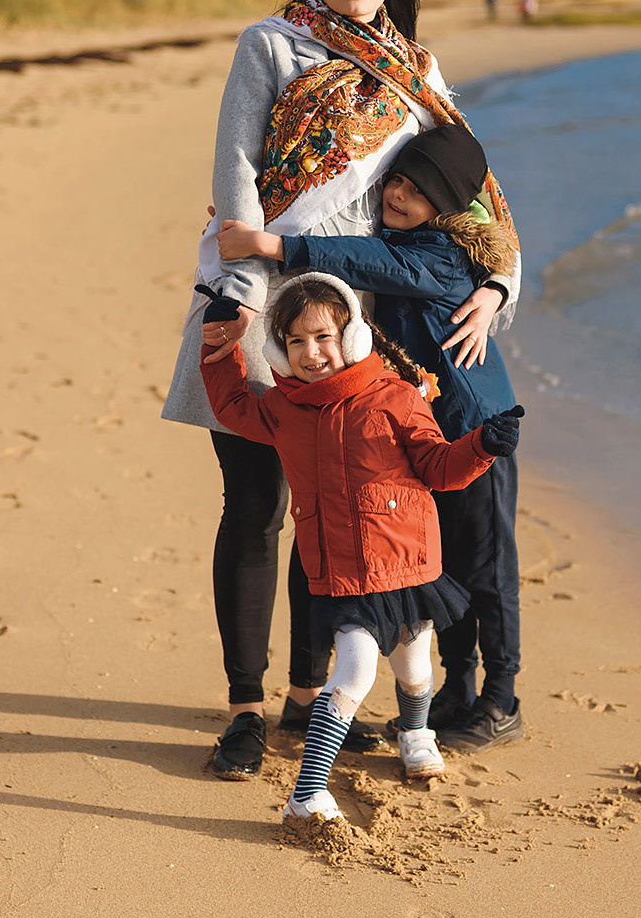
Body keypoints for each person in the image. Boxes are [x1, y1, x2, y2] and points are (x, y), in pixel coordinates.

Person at [161, 0, 523, 782]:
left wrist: (499, 283)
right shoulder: (271, 44)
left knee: (331, 509)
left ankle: (305, 693)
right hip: (261, 295)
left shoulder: (415, 66)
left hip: (358, 322)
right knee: (255, 508)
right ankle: (246, 708)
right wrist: (241, 300)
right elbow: (237, 172)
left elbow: (475, 190)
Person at [216, 122, 526, 751]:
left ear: (447, 207)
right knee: (444, 569)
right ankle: (455, 689)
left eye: (419, 191)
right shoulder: (404, 231)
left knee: (489, 568)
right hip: (426, 435)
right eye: (399, 180)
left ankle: (502, 699)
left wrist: (276, 246)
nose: (400, 195)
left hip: (476, 430)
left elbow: (370, 263)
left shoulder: (442, 253)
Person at [199, 273, 522, 819]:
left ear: (350, 336)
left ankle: (415, 733)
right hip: (343, 574)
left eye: (323, 337)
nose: (311, 353)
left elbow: (440, 468)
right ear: (278, 348)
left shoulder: (395, 397)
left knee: (415, 669)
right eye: (295, 341)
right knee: (354, 673)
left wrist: (482, 446)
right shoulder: (283, 408)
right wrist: (220, 346)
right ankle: (307, 793)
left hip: (409, 566)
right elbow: (232, 406)